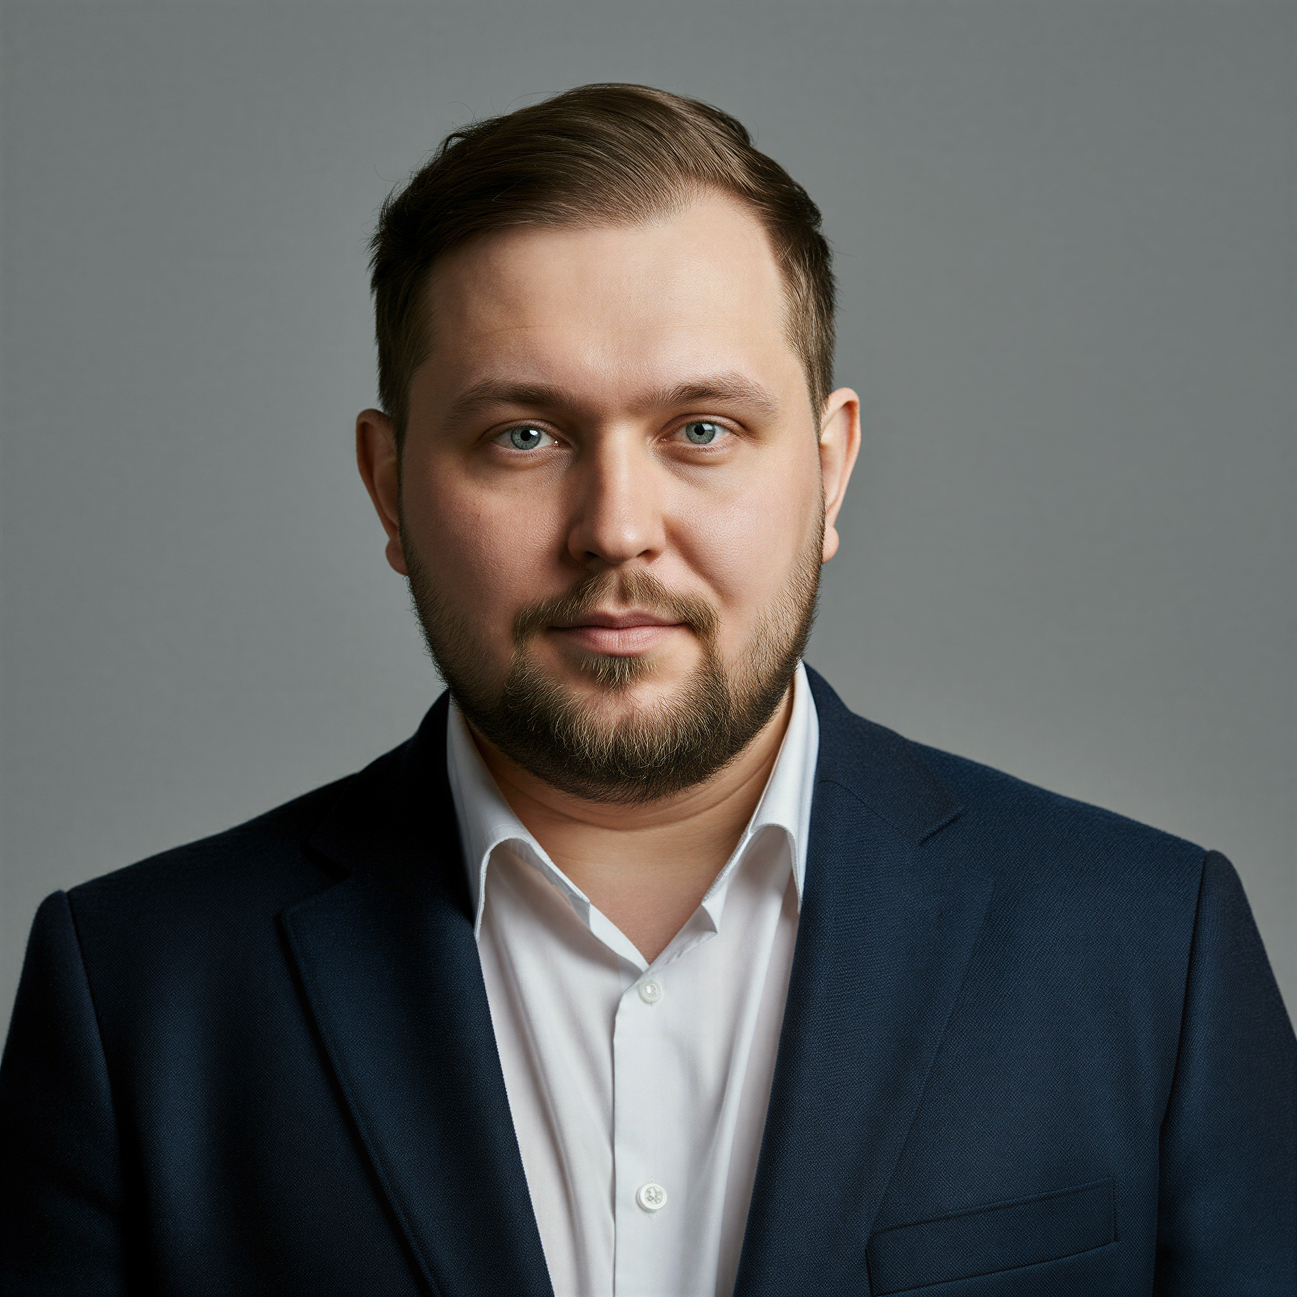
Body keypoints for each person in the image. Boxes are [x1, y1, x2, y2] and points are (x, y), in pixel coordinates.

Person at [1, 83, 1292, 1297]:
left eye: (701, 431)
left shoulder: (1148, 955)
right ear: (388, 485)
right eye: (524, 434)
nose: (616, 526)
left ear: (829, 469)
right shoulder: (137, 998)